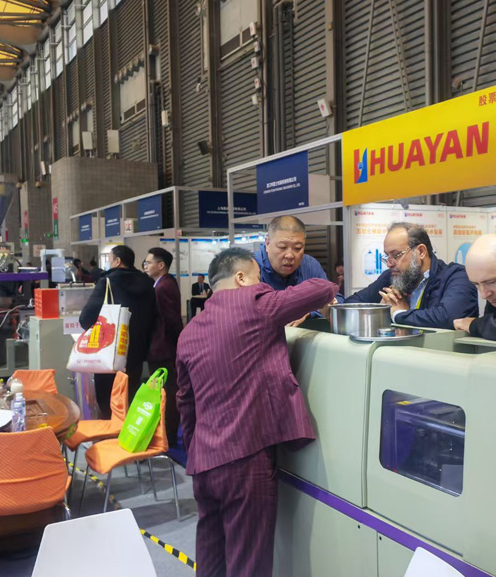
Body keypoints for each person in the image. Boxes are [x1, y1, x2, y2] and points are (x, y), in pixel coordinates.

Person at [177, 248, 339, 577]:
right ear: (240, 278)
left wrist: (197, 452)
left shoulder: (190, 331)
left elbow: (186, 403)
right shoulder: (256, 305)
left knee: (211, 557)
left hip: (203, 463)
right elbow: (323, 288)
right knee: (249, 562)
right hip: (245, 460)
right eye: (257, 277)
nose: (261, 283)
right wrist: (269, 286)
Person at [345, 222, 478, 329]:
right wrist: (380, 309)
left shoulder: (457, 276)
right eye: (387, 256)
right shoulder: (393, 276)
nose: (389, 264)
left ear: (421, 251)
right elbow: (351, 304)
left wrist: (399, 314)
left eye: (396, 255)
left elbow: (447, 318)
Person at [79, 245, 156, 412]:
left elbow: (85, 319)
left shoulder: (107, 282)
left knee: (109, 402)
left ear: (118, 261)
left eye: (110, 259)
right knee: (130, 396)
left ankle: (111, 427)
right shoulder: (148, 283)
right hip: (137, 352)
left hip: (111, 352)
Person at [143, 247, 183, 446]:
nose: (145, 266)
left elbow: (171, 320)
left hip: (164, 349)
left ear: (160, 265)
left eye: (148, 262)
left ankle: (168, 435)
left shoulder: (163, 287)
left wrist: (180, 343)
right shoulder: (161, 284)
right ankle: (165, 433)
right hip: (163, 348)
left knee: (167, 393)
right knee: (163, 392)